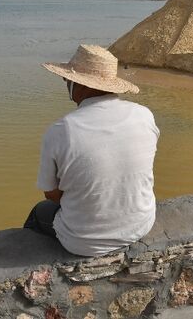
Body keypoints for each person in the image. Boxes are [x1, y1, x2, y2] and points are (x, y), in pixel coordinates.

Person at [24, 44, 159, 256]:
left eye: (68, 79)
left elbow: (51, 194)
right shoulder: (144, 115)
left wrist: (86, 199)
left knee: (39, 212)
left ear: (82, 85)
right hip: (141, 225)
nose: (65, 82)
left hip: (82, 242)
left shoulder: (61, 130)